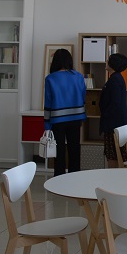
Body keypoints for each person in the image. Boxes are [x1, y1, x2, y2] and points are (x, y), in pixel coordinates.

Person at [44, 48, 86, 176]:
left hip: (57, 119)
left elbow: (48, 102)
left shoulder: (50, 78)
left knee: (59, 151)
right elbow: (83, 96)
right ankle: (75, 177)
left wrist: (47, 125)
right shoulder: (78, 76)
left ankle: (59, 178)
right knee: (74, 149)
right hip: (76, 118)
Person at [99, 53, 127, 168]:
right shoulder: (115, 78)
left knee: (113, 154)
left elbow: (115, 103)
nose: (106, 61)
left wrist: (105, 114)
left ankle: (112, 175)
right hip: (116, 122)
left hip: (114, 124)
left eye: (109, 60)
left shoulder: (115, 80)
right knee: (115, 153)